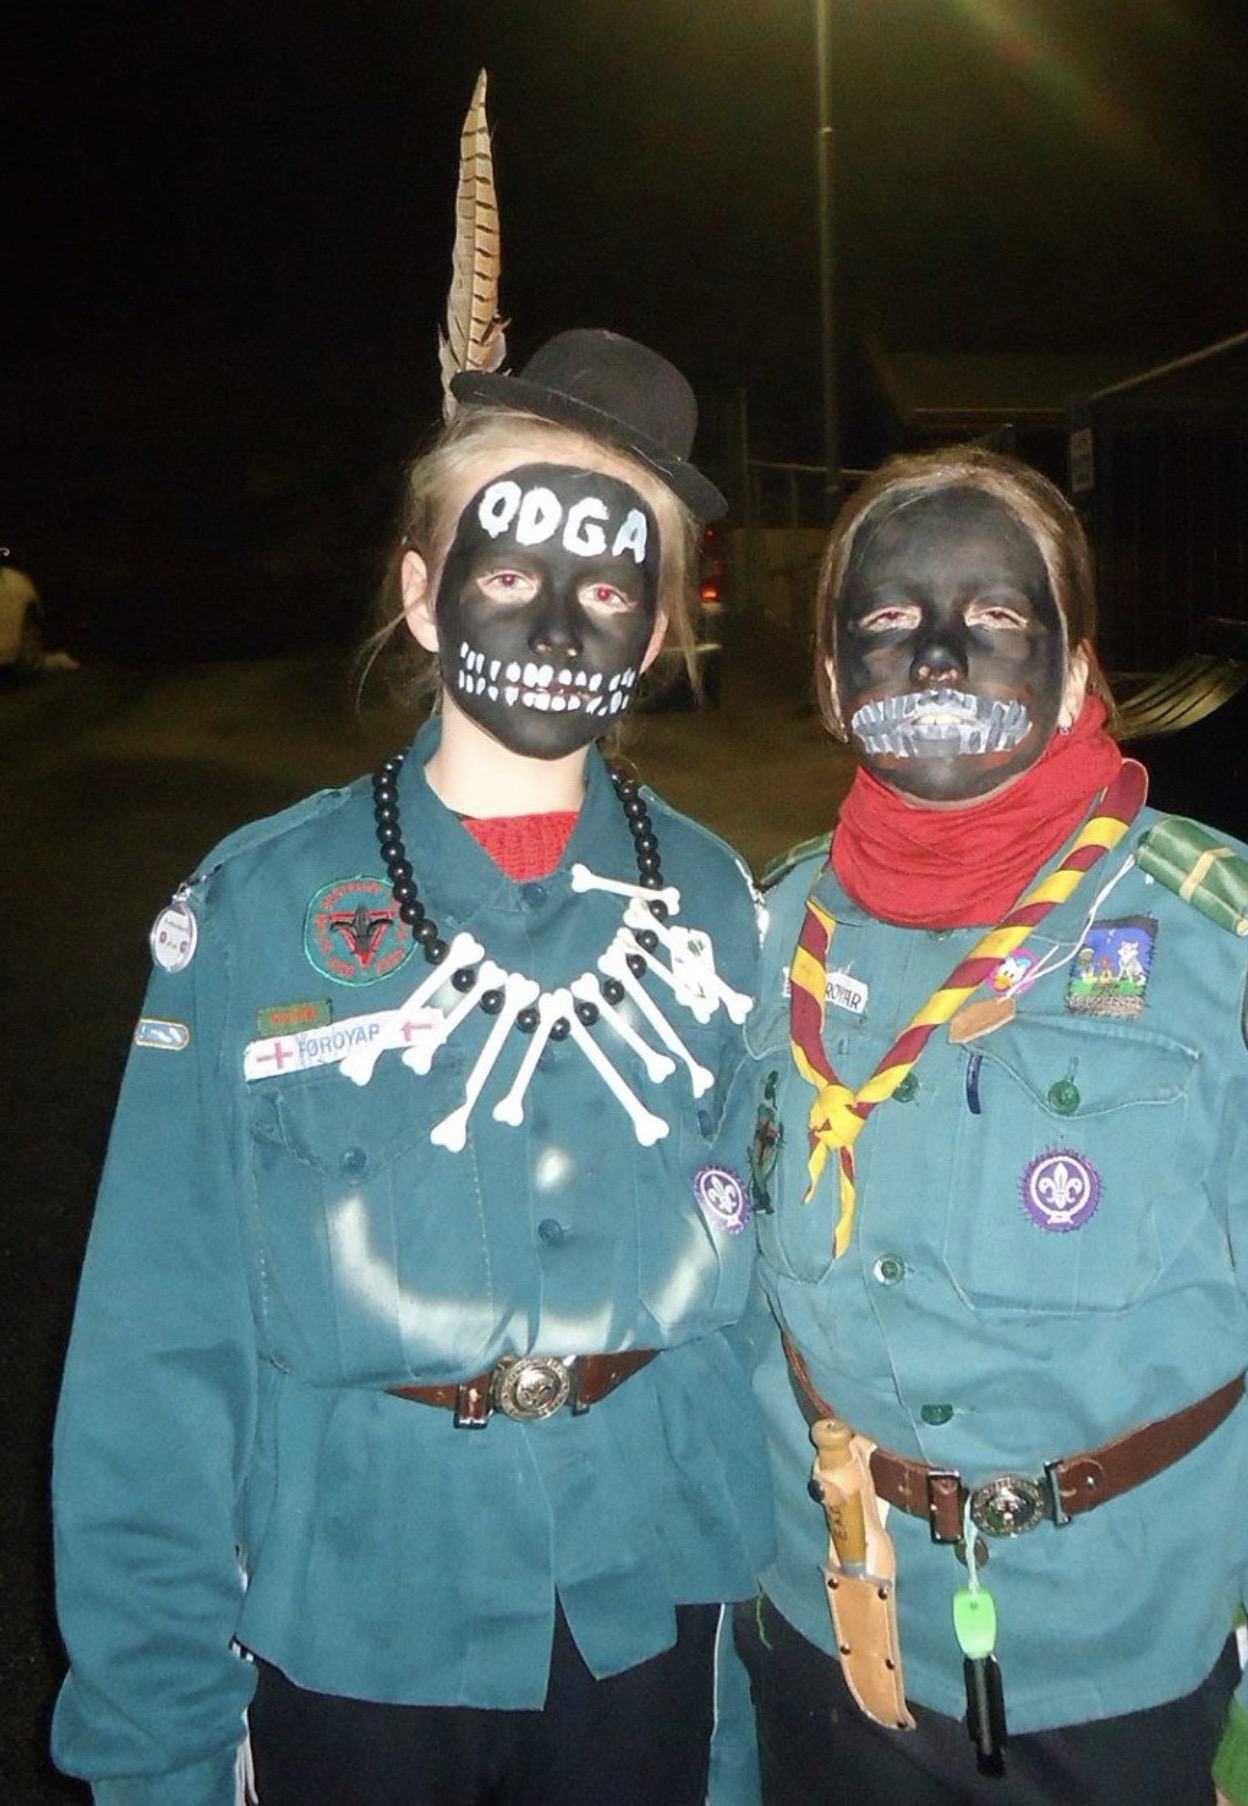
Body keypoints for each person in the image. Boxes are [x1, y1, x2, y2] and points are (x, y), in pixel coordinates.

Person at [51, 329, 771, 1806]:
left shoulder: (716, 903)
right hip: (354, 1621)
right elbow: (156, 1345)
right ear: (420, 593)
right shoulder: (259, 907)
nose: (557, 621)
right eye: (506, 572)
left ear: (654, 629)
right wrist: (154, 1737)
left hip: (651, 1609)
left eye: (609, 588)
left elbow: (761, 1303)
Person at [733, 445, 1248, 1806]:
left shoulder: (1229, 941)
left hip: (1132, 1674)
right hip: (821, 1650)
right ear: (830, 680)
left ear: (1074, 673)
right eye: (888, 622)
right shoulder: (768, 936)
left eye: (996, 617)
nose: (937, 656)